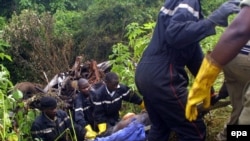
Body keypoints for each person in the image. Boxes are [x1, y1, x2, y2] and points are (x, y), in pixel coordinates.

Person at [134, 0, 239, 140]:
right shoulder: (189, 2)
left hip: (145, 73)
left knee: (160, 128)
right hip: (163, 77)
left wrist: (210, 90)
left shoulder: (176, 4)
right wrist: (213, 20)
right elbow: (175, 34)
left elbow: (195, 58)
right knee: (194, 131)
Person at [185, 1, 250, 141]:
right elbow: (242, 28)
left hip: (232, 54)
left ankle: (225, 137)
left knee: (239, 109)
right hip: (243, 56)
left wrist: (206, 81)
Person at [92, 72, 144, 136]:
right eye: (113, 85)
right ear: (106, 83)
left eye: (117, 84)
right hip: (105, 121)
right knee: (109, 135)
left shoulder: (121, 89)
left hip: (116, 117)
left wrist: (143, 105)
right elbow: (98, 113)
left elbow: (133, 97)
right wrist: (103, 130)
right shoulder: (99, 95)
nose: (116, 87)